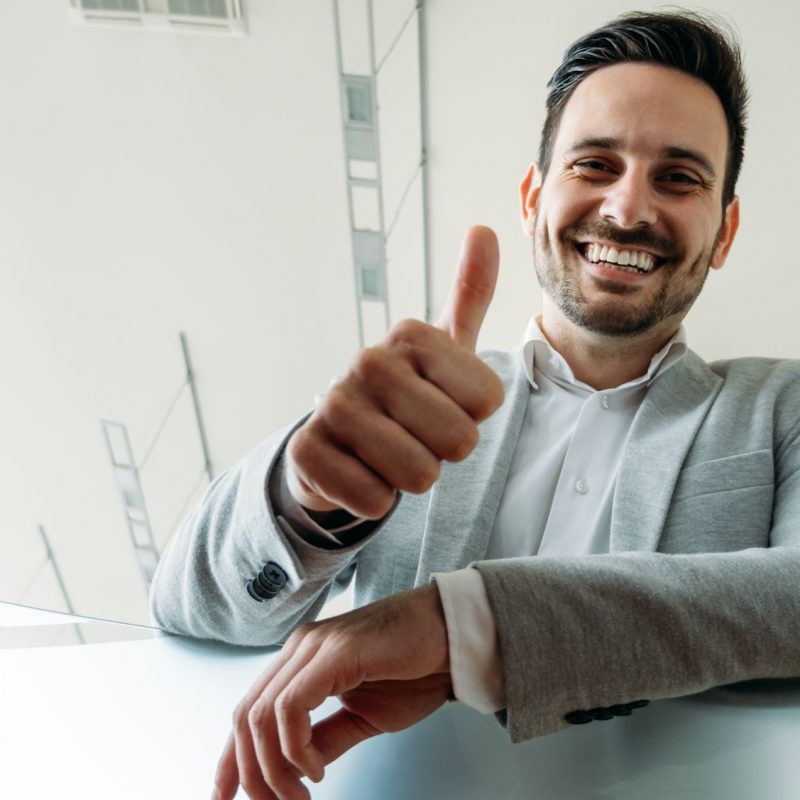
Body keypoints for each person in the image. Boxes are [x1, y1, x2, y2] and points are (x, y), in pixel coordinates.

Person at [150, 10, 800, 800]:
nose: (628, 210)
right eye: (595, 164)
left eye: (679, 178)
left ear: (724, 232)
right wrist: (306, 499)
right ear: (532, 199)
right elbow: (194, 606)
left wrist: (465, 623)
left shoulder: (781, 405)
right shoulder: (410, 396)